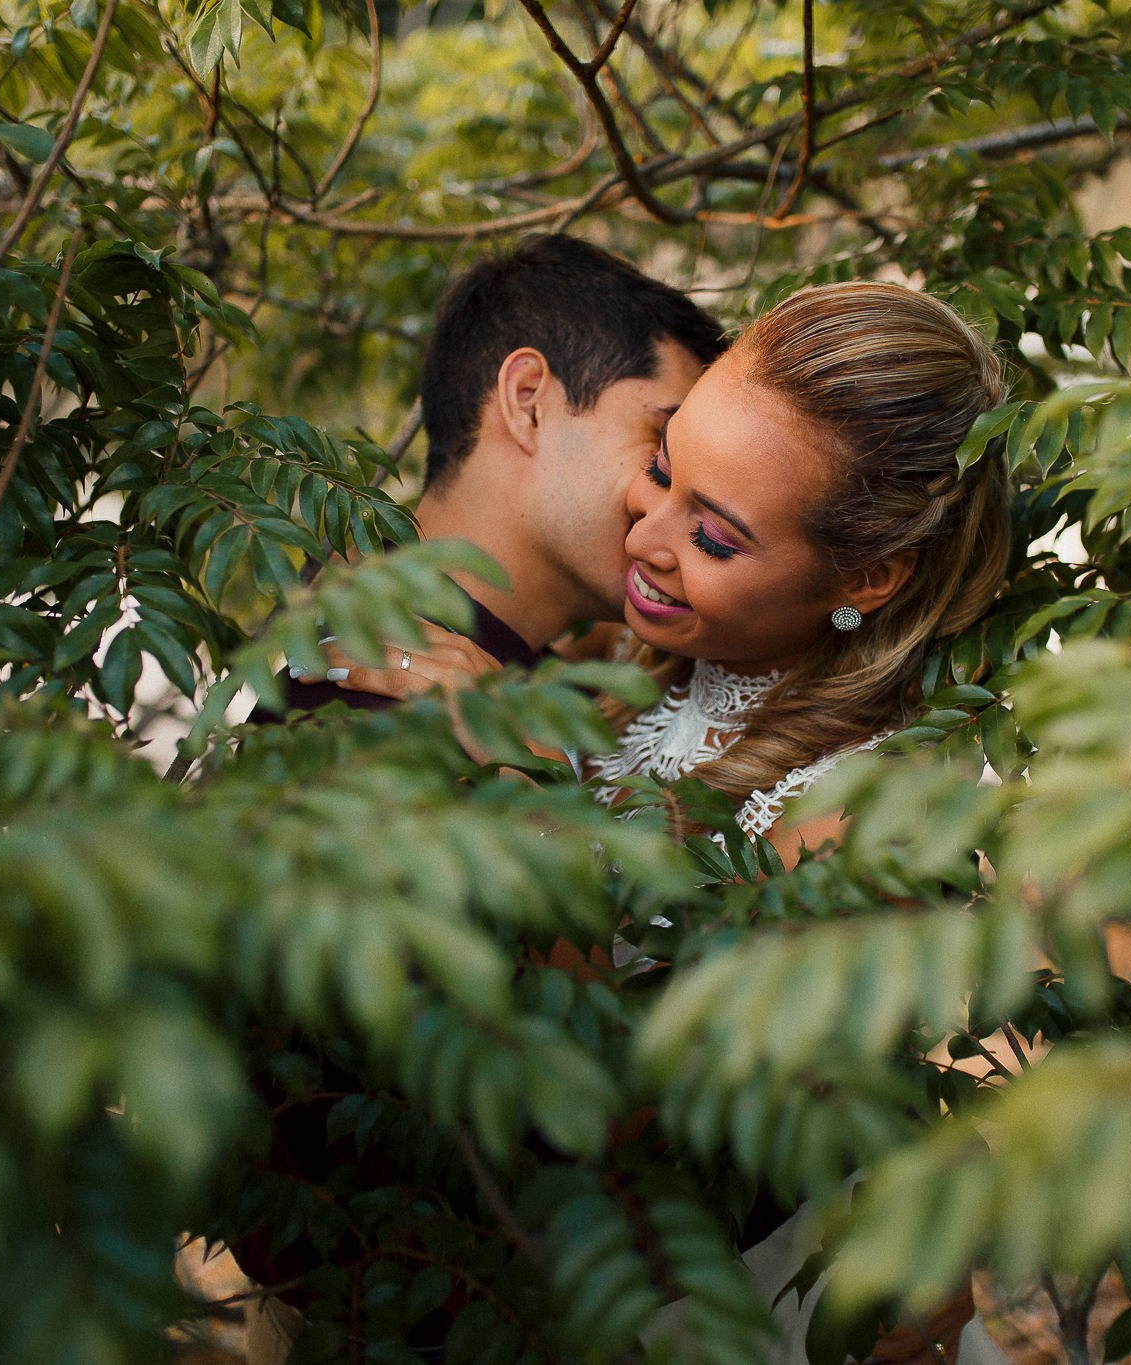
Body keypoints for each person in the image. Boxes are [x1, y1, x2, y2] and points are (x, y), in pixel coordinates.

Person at [326, 281, 1016, 1363]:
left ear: (867, 577)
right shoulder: (629, 677)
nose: (644, 536)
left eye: (715, 532)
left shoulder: (864, 817)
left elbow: (634, 1154)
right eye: (661, 469)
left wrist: (537, 812)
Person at [237, 233, 724, 1365]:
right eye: (660, 453)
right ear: (526, 399)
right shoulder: (377, 709)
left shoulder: (503, 671)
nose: (676, 513)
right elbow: (553, 1139)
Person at [261, 231, 725, 718]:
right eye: (664, 444)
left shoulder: (537, 694)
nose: (680, 495)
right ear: (528, 401)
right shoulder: (363, 708)